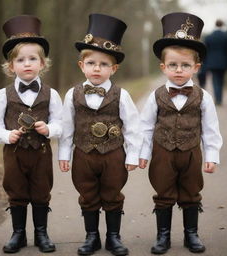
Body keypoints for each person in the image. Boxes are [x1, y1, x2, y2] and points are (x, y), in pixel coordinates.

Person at [139, 12, 222, 254]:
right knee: (163, 192)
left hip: (191, 154)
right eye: (173, 65)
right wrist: (143, 154)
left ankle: (191, 234)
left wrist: (211, 156)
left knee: (191, 192)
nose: (178, 70)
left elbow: (210, 129)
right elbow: (145, 126)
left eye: (185, 65)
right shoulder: (156, 96)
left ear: (196, 68)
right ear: (163, 67)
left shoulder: (203, 97)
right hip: (162, 153)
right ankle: (163, 236)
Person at [58, 13, 141, 256]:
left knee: (113, 193)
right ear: (81, 65)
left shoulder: (121, 95)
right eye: (92, 63)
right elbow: (67, 126)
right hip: (83, 154)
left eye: (104, 64)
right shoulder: (72, 94)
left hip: (114, 154)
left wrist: (132, 155)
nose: (97, 68)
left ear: (113, 68)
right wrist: (64, 154)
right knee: (87, 193)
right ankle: (91, 237)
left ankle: (113, 237)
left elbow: (133, 126)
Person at [0, 15, 63, 253]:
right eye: (20, 60)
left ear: (42, 63)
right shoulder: (2, 95)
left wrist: (49, 129)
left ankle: (41, 233)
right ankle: (18, 233)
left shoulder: (52, 94)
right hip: (14, 152)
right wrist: (7, 135)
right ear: (11, 66)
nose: (27, 64)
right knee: (16, 190)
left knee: (41, 190)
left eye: (32, 59)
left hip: (41, 152)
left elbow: (61, 123)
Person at [204, 19, 227, 105]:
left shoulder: (209, 37)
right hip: (223, 63)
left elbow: (205, 51)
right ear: (222, 25)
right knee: (221, 81)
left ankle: (217, 99)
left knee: (215, 81)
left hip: (212, 63)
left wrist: (205, 63)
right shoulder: (226, 36)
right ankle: (219, 99)